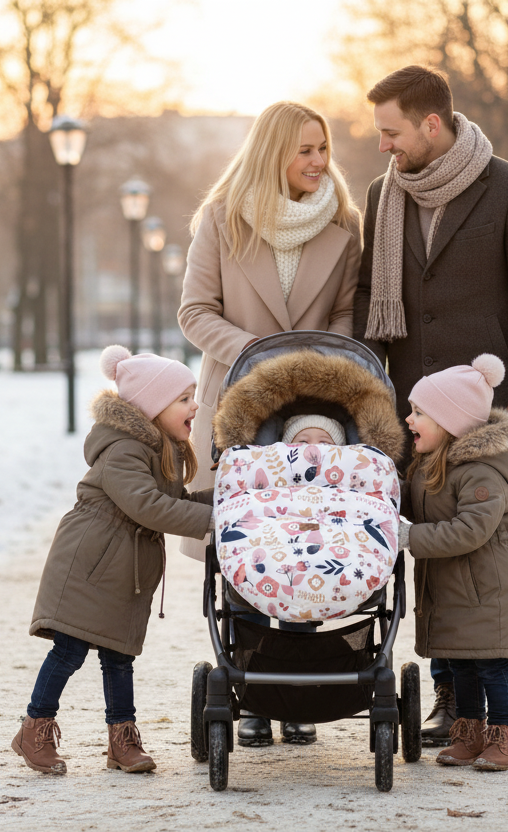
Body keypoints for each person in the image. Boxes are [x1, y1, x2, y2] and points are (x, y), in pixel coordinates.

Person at [353, 66, 508, 750]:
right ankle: (454, 696)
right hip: (419, 423)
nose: (383, 145)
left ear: (432, 124)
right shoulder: (384, 197)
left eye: (392, 132)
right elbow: (366, 306)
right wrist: (362, 400)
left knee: (502, 555)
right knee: (435, 558)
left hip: (492, 420)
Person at [179, 100, 363, 747]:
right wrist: (260, 355)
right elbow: (195, 312)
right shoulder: (223, 220)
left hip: (315, 403)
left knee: (310, 537)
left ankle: (303, 688)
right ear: (273, 153)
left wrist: (313, 365)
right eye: (306, 149)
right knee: (249, 542)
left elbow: (344, 316)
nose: (320, 162)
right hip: (238, 396)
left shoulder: (343, 225)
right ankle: (254, 688)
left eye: (324, 149)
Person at [12, 346, 214, 776]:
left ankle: (122, 740)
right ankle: (35, 727)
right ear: (153, 407)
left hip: (122, 567)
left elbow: (174, 501)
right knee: (68, 651)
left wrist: (230, 496)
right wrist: (217, 519)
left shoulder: (161, 448)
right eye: (184, 398)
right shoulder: (124, 450)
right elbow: (148, 506)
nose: (195, 405)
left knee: (119, 656)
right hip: (90, 563)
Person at [396, 353, 508, 771]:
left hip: (487, 588)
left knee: (490, 664)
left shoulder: (481, 473)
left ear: (450, 423)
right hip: (455, 587)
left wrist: (408, 537)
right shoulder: (431, 465)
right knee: (461, 664)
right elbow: (417, 505)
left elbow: (469, 530)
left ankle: (505, 738)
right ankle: (470, 735)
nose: (409, 420)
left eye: (419, 412)